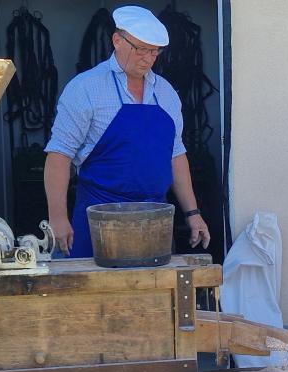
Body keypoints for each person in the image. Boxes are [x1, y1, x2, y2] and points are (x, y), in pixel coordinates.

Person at [44, 5, 209, 257]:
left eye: (154, 51)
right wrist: (57, 218)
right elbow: (59, 156)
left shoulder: (166, 93)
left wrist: (193, 214)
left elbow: (176, 155)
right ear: (117, 40)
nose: (148, 58)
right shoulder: (85, 89)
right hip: (97, 220)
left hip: (155, 220)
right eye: (141, 49)